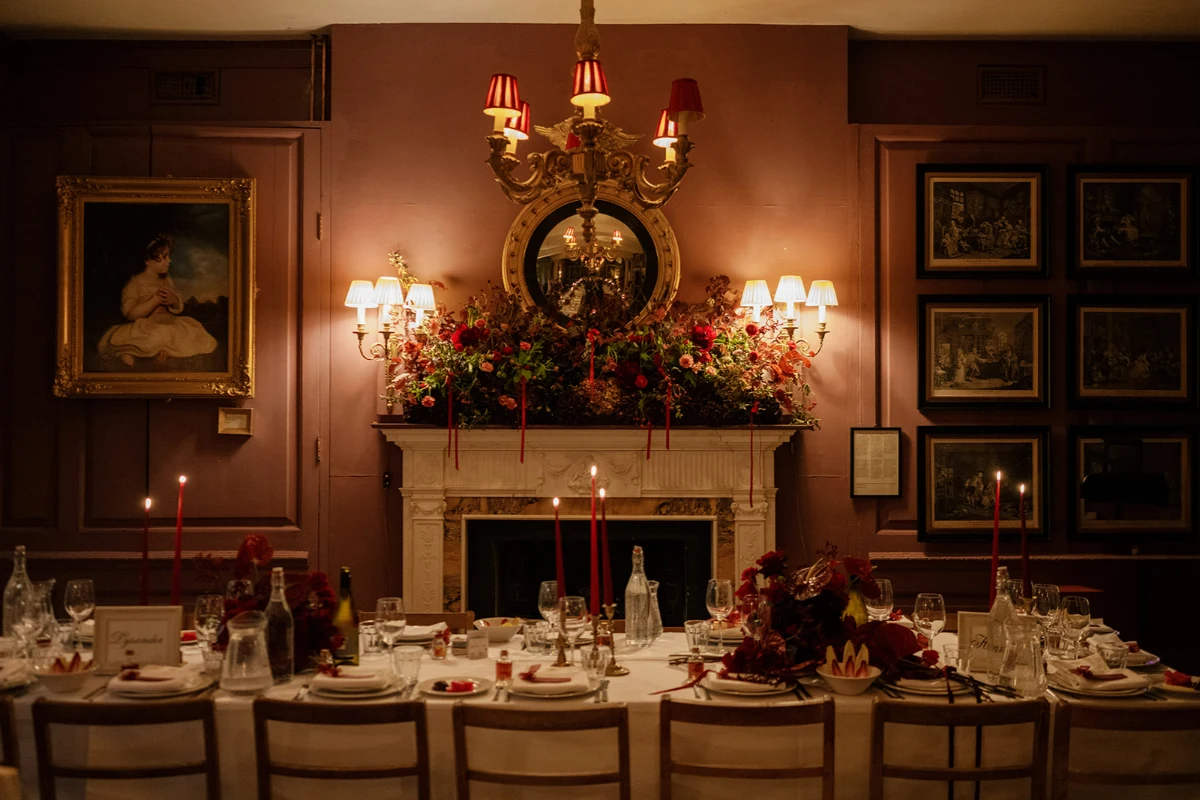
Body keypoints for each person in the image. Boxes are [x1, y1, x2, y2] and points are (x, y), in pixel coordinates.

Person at [98, 234, 218, 366]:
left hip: (169, 321)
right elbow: (130, 314)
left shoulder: (166, 280)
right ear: (147, 260)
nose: (169, 261)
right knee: (155, 334)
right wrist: (154, 301)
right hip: (147, 325)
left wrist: (174, 301)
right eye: (164, 257)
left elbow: (178, 306)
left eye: (168, 256)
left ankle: (162, 352)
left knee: (191, 329)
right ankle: (134, 353)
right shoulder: (135, 283)